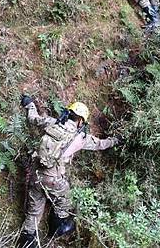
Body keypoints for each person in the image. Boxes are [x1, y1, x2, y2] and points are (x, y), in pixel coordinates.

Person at [17, 95, 121, 247]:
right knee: (65, 202)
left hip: (35, 176)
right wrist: (115, 140)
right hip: (54, 180)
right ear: (81, 121)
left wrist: (30, 104)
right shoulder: (80, 137)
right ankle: (57, 227)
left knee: (33, 213)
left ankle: (26, 241)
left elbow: (33, 119)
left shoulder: (52, 123)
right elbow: (100, 144)